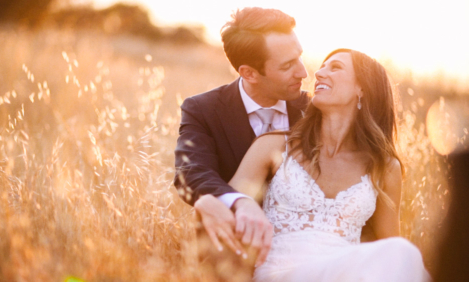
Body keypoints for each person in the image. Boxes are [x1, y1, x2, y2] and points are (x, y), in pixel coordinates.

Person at [195, 48, 431, 281]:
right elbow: (226, 198)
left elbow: (388, 244)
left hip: (349, 273)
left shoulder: (384, 166)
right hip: (281, 273)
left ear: (363, 88)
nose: (318, 74)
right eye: (322, 67)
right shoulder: (276, 145)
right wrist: (205, 201)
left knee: (402, 252)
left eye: (335, 67)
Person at [174, 7, 309, 278]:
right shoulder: (203, 109)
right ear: (249, 73)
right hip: (236, 257)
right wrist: (239, 202)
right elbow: (190, 173)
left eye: (299, 58)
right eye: (287, 66)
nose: (304, 73)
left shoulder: (314, 109)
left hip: (307, 252)